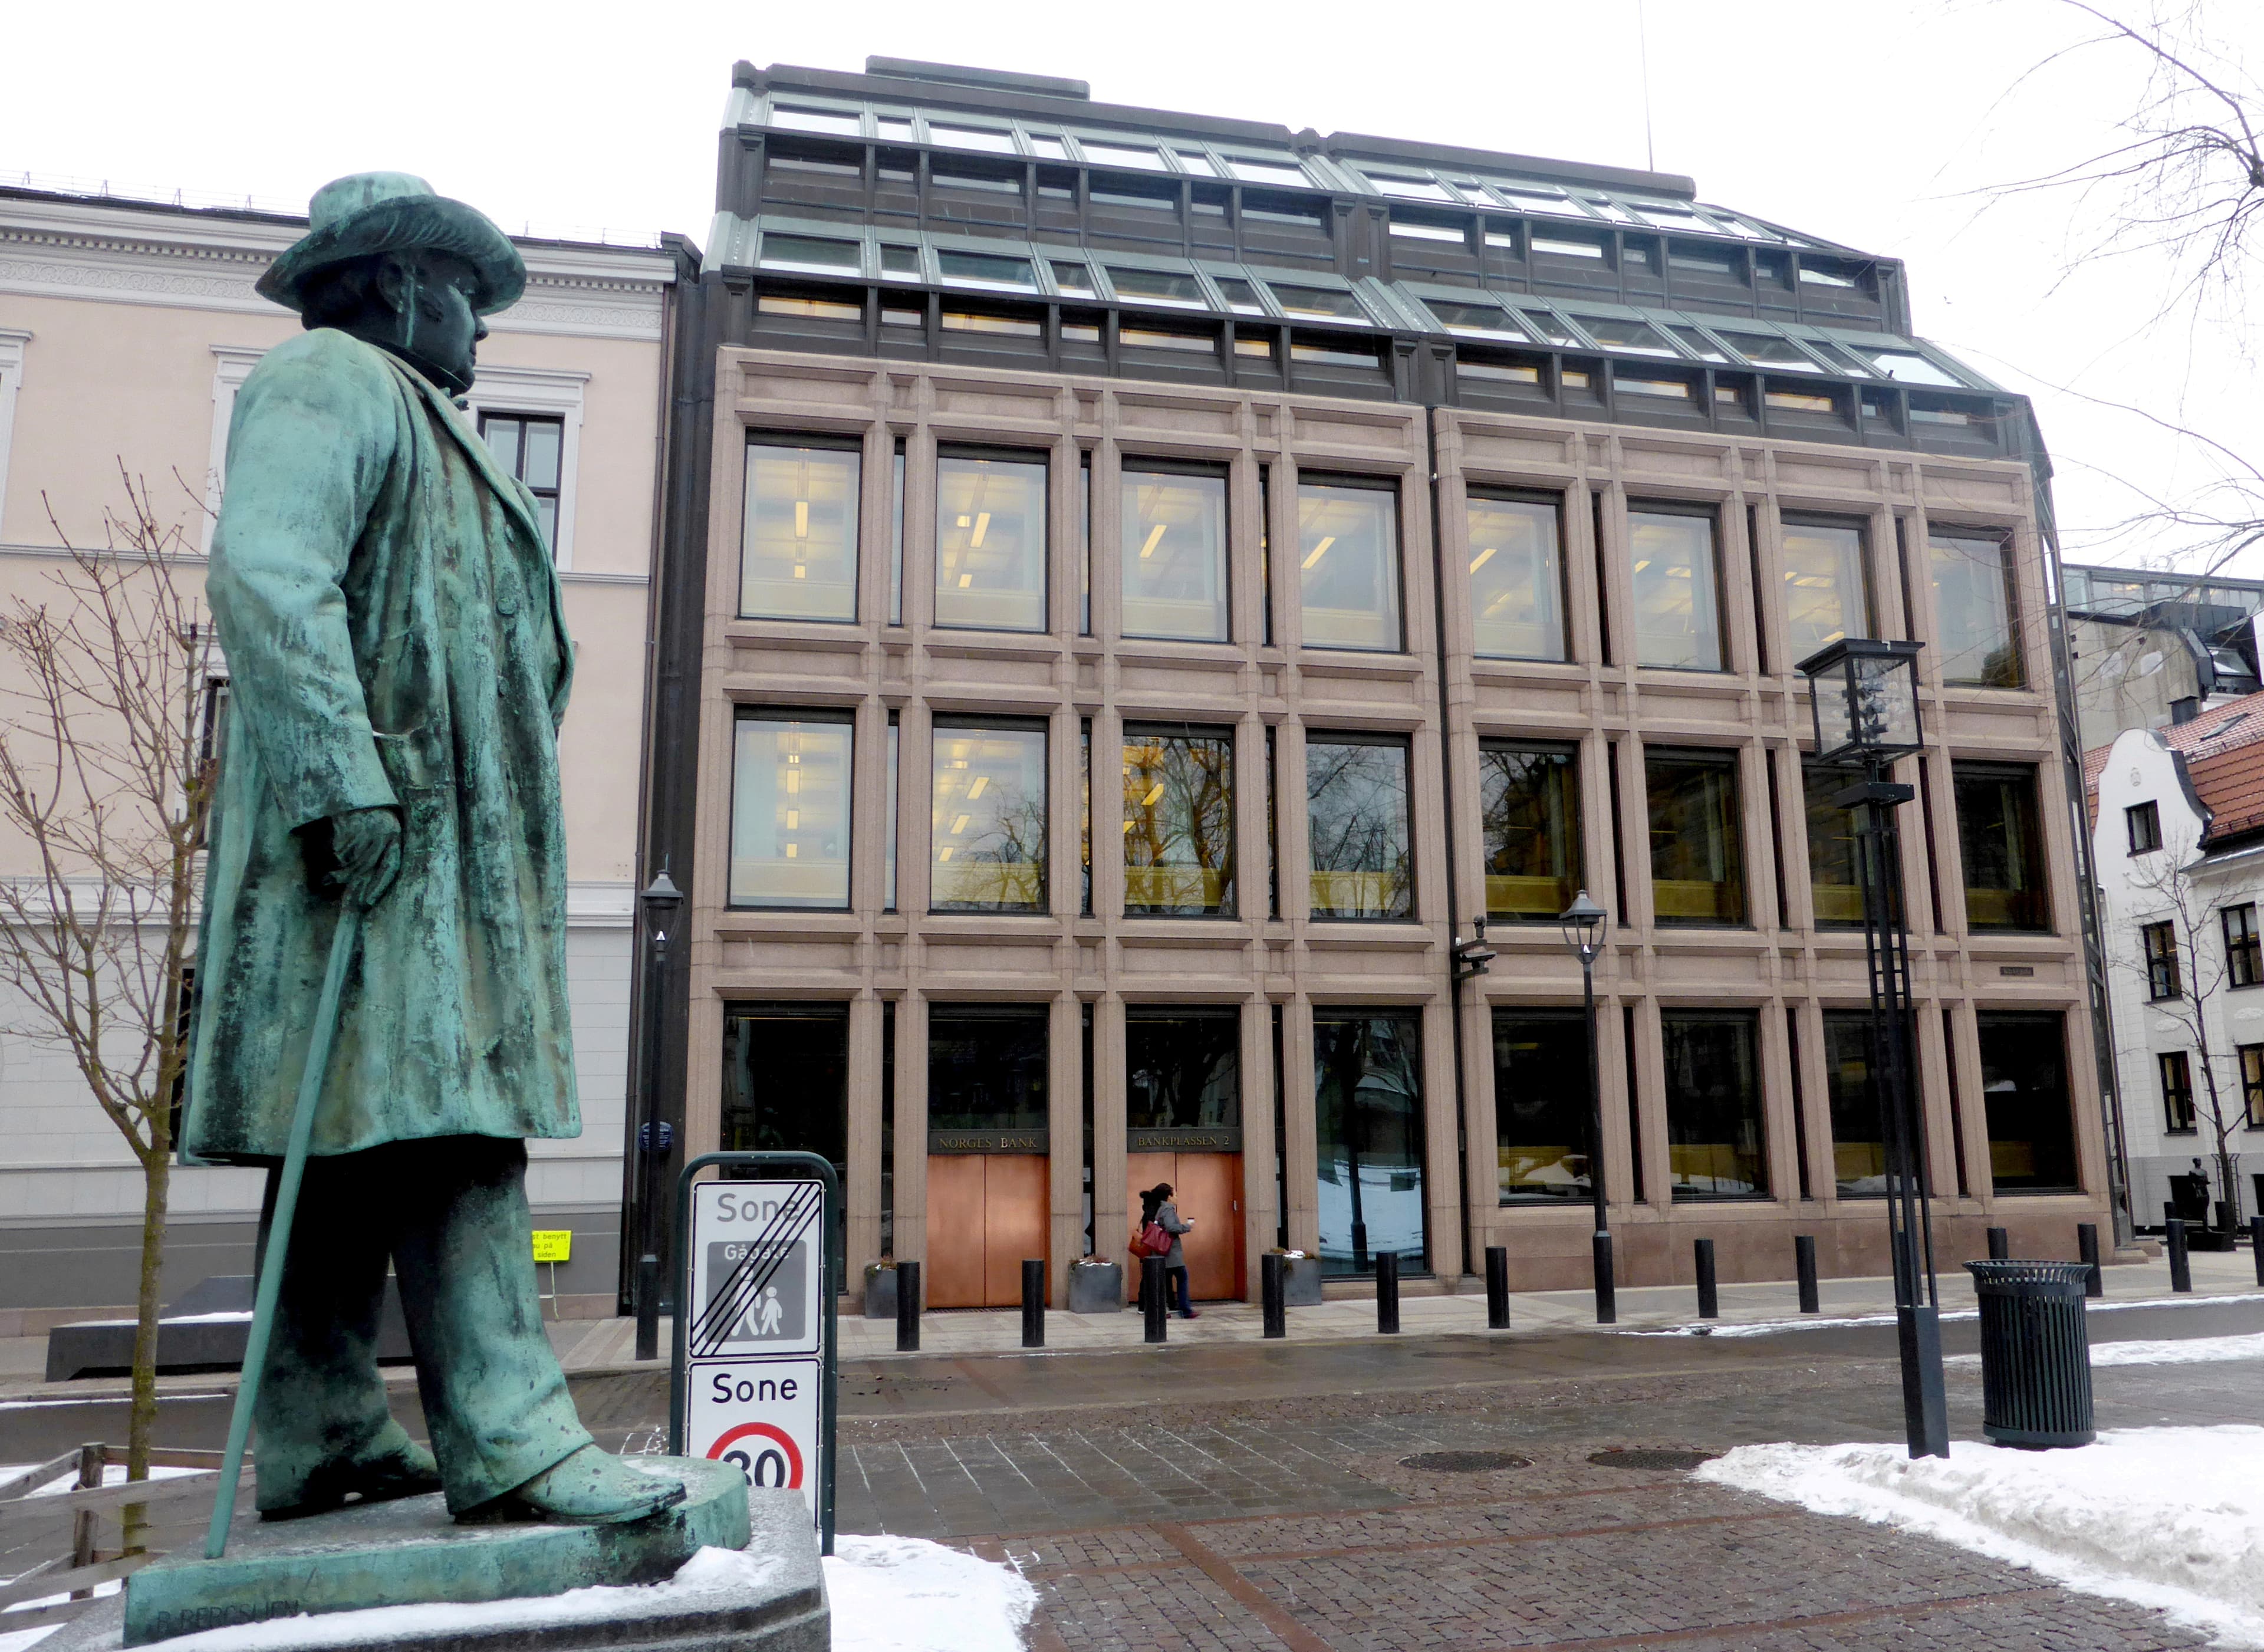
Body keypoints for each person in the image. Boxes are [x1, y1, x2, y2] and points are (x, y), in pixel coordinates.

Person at [182, 173, 682, 1526]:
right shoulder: (330, 380)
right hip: (377, 841)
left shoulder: (420, 421)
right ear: (395, 282)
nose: (481, 325)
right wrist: (342, 779)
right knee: (456, 1127)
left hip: (436, 838)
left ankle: (321, 1420)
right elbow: (267, 569)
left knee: (346, 1138)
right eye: (466, 290)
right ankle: (511, 1427)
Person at [1145, 1183, 1198, 1319]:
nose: (1177, 1197)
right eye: (1175, 1194)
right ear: (1169, 1197)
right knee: (1182, 1278)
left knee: (1163, 1283)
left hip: (1163, 1254)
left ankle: (1162, 1311)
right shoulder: (1168, 1210)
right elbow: (1170, 1228)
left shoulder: (1161, 1209)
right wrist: (1186, 1227)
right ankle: (1186, 1310)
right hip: (1172, 1254)